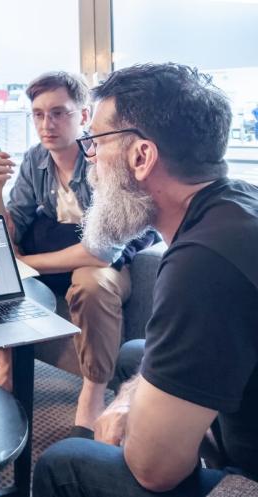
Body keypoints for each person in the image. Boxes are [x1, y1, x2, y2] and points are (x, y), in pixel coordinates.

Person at [32, 63, 258, 497]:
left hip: (250, 472)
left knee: (64, 463)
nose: (90, 159)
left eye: (95, 142)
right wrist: (128, 398)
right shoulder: (233, 207)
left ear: (141, 156)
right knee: (134, 354)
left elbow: (154, 471)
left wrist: (125, 410)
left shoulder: (204, 264)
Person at [0, 71, 154, 435]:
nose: (48, 124)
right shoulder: (35, 161)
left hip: (108, 257)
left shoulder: (103, 157)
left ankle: (92, 394)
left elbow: (102, 252)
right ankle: (7, 364)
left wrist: (25, 262)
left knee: (91, 282)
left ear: (83, 114)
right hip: (61, 253)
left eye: (59, 113)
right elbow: (7, 234)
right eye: (39, 114)